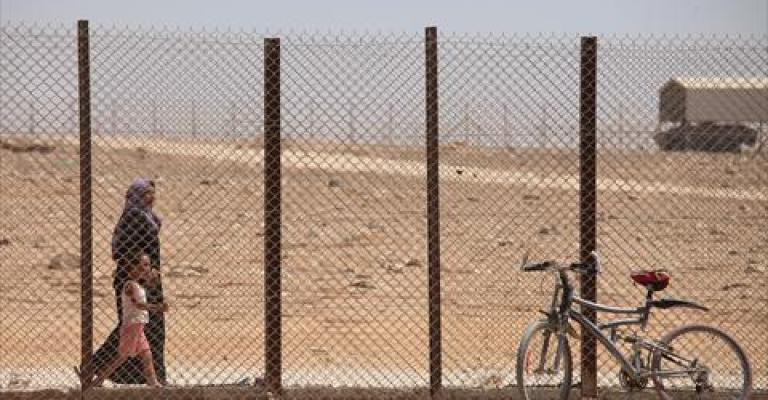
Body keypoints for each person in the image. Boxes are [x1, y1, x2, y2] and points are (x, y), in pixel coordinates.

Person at [88, 178, 167, 385]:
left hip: (146, 277)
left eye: (152, 193)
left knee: (142, 325)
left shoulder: (146, 217)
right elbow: (127, 250)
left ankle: (147, 377)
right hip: (134, 279)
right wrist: (143, 272)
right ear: (136, 196)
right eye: (146, 194)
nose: (152, 197)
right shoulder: (134, 216)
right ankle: (96, 365)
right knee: (136, 324)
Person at [93, 253, 169, 387]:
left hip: (138, 326)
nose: (147, 268)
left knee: (147, 354)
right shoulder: (130, 286)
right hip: (132, 326)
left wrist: (154, 279)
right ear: (132, 267)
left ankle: (152, 381)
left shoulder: (137, 285)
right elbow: (138, 305)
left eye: (148, 265)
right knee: (122, 356)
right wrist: (157, 307)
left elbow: (146, 290)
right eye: (144, 265)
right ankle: (99, 379)